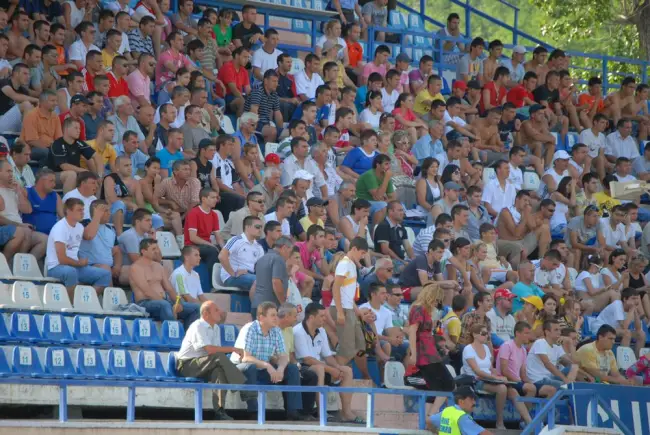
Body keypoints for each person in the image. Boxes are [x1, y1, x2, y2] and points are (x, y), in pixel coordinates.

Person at [231, 302, 309, 420]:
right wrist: (268, 366)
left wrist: (280, 369)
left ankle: (293, 412)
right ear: (261, 317)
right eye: (272, 315)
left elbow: (283, 356)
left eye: (276, 315)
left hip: (263, 370)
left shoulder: (276, 330)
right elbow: (246, 358)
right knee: (250, 367)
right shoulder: (250, 328)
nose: (276, 318)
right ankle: (254, 412)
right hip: (242, 370)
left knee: (292, 369)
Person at [176, 300, 249, 420]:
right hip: (187, 365)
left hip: (205, 364)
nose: (220, 312)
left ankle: (220, 411)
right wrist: (232, 349)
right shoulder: (197, 326)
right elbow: (210, 350)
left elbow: (215, 351)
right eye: (216, 310)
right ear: (206, 314)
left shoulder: (216, 328)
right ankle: (241, 386)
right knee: (219, 357)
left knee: (219, 372)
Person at [293, 302, 361, 423]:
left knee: (347, 371)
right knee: (319, 369)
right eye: (322, 316)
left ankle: (346, 412)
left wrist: (337, 368)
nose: (325, 319)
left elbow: (328, 356)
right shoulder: (298, 331)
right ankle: (321, 412)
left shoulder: (321, 331)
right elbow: (307, 359)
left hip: (320, 366)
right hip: (303, 368)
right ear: (311, 317)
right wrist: (331, 370)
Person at [461, 323, 532, 428]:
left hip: (488, 379)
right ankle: (499, 421)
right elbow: (477, 371)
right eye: (484, 334)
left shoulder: (485, 348)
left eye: (487, 334)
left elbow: (490, 368)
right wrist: (495, 378)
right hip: (475, 381)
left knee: (512, 391)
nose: (486, 336)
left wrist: (497, 376)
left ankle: (528, 421)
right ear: (475, 334)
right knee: (502, 388)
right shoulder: (468, 349)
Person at [45, 198, 112, 298]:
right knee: (70, 272)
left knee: (105, 274)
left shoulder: (79, 227)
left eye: (83, 210)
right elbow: (61, 259)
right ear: (68, 211)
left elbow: (89, 235)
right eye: (79, 210)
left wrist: (97, 215)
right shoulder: (60, 228)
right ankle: (72, 304)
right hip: (56, 268)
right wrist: (79, 263)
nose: (82, 213)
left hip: (74, 267)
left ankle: (86, 299)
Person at [406, 282, 455, 415]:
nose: (438, 302)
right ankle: (431, 415)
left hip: (430, 350)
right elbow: (412, 331)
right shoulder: (418, 308)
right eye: (437, 299)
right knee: (447, 384)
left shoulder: (425, 310)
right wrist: (413, 354)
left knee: (438, 386)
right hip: (424, 352)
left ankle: (429, 416)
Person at [130, 238, 200, 329]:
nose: (157, 251)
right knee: (165, 305)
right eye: (153, 249)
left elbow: (169, 289)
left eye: (157, 248)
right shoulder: (136, 268)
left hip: (163, 303)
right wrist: (169, 305)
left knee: (195, 308)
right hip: (145, 303)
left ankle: (189, 338)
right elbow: (147, 291)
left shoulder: (159, 266)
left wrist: (178, 303)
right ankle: (174, 336)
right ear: (143, 251)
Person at [526, 319, 579, 391]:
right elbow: (548, 364)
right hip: (538, 380)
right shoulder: (540, 343)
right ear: (547, 332)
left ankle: (569, 386)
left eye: (560, 330)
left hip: (550, 377)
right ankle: (569, 387)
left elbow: (573, 363)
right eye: (556, 330)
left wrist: (570, 343)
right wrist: (565, 379)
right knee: (566, 387)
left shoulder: (556, 346)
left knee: (574, 367)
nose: (559, 332)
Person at [591, 287, 645, 357]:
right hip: (600, 328)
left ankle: (638, 361)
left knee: (641, 334)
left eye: (637, 298)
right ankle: (623, 361)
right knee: (627, 333)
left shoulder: (631, 308)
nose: (636, 301)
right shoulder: (618, 304)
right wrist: (632, 310)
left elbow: (638, 329)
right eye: (633, 298)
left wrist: (635, 312)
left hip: (614, 330)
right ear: (625, 299)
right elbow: (624, 327)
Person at [184, 188, 224, 274]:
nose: (216, 200)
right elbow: (193, 238)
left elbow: (218, 236)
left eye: (216, 198)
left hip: (206, 245)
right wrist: (211, 245)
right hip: (191, 246)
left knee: (228, 250)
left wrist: (224, 248)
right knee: (212, 251)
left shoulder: (214, 215)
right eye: (212, 197)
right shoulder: (194, 213)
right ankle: (213, 283)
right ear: (203, 199)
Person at [219, 215, 264, 291]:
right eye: (257, 227)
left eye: (261, 227)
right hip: (231, 277)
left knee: (269, 281)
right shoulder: (236, 240)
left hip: (249, 275)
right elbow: (221, 256)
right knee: (259, 281)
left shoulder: (258, 246)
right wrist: (233, 273)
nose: (260, 230)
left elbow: (262, 266)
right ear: (247, 227)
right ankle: (255, 303)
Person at [428, 386, 493, 435]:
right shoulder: (462, 417)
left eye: (474, 399)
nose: (474, 402)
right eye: (471, 399)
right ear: (461, 401)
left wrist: (436, 432)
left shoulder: (447, 411)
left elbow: (429, 421)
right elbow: (485, 433)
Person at [19, 90, 62, 163]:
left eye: (56, 101)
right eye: (52, 101)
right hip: (28, 149)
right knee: (45, 152)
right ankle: (44, 171)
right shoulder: (31, 116)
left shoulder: (55, 116)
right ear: (42, 102)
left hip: (49, 148)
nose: (56, 104)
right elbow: (32, 141)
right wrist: (52, 147)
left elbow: (59, 138)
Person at [355, 154, 396, 226]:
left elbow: (393, 197)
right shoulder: (370, 175)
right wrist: (386, 178)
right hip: (361, 201)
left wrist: (384, 200)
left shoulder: (386, 175)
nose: (389, 167)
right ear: (378, 165)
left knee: (396, 207)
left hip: (375, 202)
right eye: (386, 164)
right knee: (382, 206)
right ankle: (375, 232)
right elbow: (378, 196)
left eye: (389, 164)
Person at [373, 201, 413, 268]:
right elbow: (385, 250)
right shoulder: (383, 226)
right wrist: (402, 262)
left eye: (402, 210)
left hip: (399, 261)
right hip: (386, 261)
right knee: (408, 270)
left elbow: (408, 247)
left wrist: (413, 259)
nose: (403, 213)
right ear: (390, 211)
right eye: (400, 210)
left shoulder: (401, 227)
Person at [0, 63, 38, 134]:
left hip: (14, 125)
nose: (28, 77)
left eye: (29, 74)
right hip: (1, 121)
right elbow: (15, 96)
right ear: (16, 74)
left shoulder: (24, 91)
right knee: (26, 104)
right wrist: (36, 100)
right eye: (25, 74)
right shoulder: (4, 83)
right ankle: (25, 138)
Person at [23, 168, 62, 236]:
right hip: (32, 234)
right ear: (41, 181)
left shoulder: (55, 196)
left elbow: (63, 216)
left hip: (53, 235)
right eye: (51, 181)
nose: (54, 185)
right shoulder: (27, 192)